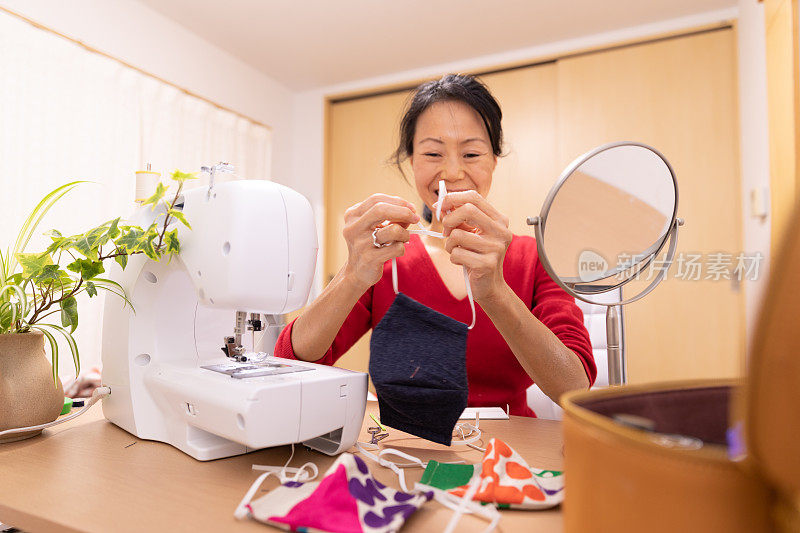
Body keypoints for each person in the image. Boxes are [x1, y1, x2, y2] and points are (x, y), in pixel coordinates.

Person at [275, 73, 595, 417]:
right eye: (433, 153)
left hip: (511, 451)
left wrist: (494, 290)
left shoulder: (532, 257)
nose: (452, 172)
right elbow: (291, 361)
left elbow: (574, 387)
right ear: (412, 162)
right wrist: (352, 273)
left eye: (471, 153)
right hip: (404, 447)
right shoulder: (385, 260)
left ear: (493, 163)